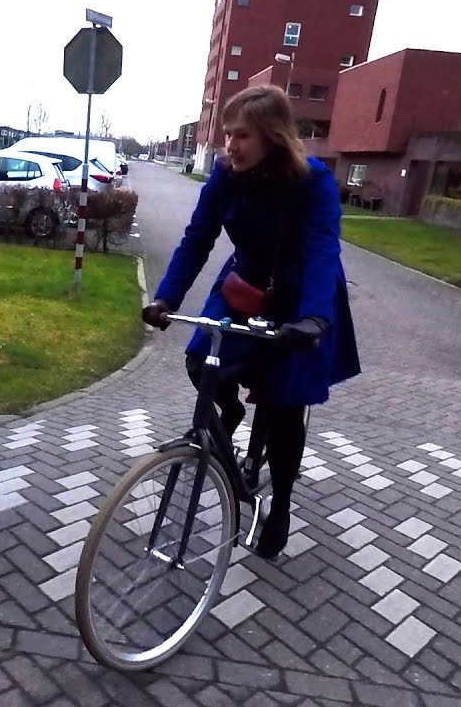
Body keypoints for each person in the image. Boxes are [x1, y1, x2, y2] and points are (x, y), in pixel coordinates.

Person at [142, 84, 361, 561]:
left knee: (285, 404)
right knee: (201, 360)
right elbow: (197, 238)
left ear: (272, 137)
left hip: (303, 295)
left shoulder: (313, 182)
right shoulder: (226, 176)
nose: (229, 146)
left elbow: (325, 248)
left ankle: (280, 501)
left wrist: (315, 317)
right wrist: (165, 297)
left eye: (241, 136)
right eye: (226, 135)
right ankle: (231, 416)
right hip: (245, 284)